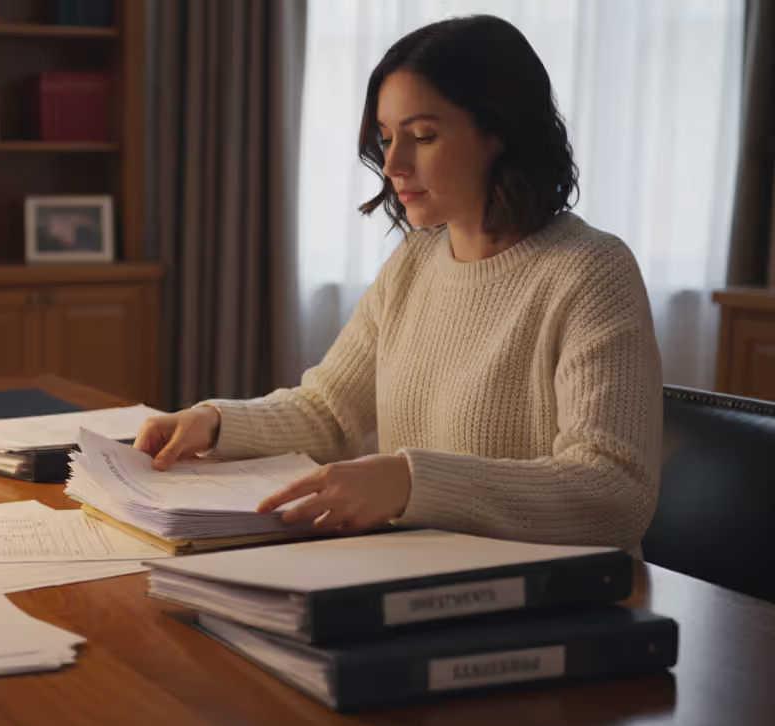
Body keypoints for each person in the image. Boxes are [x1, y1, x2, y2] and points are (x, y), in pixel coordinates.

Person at [135, 15, 662, 555]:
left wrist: (411, 483)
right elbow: (330, 410)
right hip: (419, 574)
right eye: (386, 139)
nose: (393, 164)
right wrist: (215, 422)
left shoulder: (592, 270)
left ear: (500, 133)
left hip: (553, 601)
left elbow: (614, 493)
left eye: (423, 136)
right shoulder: (414, 261)